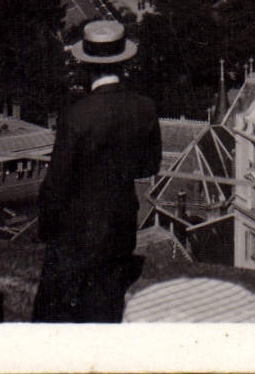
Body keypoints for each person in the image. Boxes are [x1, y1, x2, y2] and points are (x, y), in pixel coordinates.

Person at [33, 20, 162, 322]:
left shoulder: (76, 115)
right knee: (106, 313)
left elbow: (56, 185)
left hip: (77, 237)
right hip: (120, 231)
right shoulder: (144, 107)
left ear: (86, 65)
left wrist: (48, 232)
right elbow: (149, 166)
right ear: (124, 63)